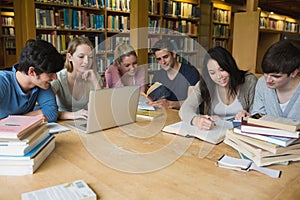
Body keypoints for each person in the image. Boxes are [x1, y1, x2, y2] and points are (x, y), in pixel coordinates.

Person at [179, 46, 257, 130]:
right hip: (215, 133)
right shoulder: (205, 83)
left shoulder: (249, 81)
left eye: (222, 70)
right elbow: (184, 109)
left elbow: (258, 115)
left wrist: (248, 117)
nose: (219, 76)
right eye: (212, 73)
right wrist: (196, 120)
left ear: (230, 66)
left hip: (240, 133)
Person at [0, 39, 64, 122]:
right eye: (50, 73)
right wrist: (33, 116)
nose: (55, 78)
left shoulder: (41, 84)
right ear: (32, 71)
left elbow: (51, 114)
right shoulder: (2, 81)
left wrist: (14, 121)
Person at [51, 36, 101, 120]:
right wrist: (72, 115)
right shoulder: (58, 78)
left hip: (87, 122)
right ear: (69, 57)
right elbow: (46, 111)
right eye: (81, 57)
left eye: (90, 57)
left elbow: (103, 107)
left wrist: (94, 80)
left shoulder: (93, 76)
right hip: (64, 123)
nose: (86, 62)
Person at [252, 39, 300, 120]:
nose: (268, 80)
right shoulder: (262, 83)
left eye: (276, 76)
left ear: (293, 73)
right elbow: (257, 116)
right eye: (266, 73)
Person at [150, 39, 200, 109]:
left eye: (165, 57)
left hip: (188, 115)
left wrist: (170, 104)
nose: (163, 62)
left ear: (174, 54)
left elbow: (192, 103)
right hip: (168, 115)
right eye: (159, 59)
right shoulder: (158, 75)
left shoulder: (190, 72)